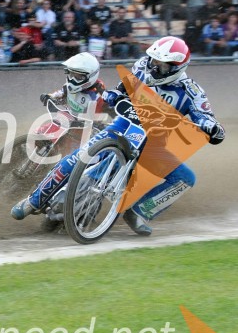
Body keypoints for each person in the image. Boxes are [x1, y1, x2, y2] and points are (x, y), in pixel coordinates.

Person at [12, 37, 225, 235]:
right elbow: (124, 87)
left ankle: (139, 212)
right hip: (123, 126)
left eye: (162, 65)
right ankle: (33, 201)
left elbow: (207, 118)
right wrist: (114, 94)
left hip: (153, 146)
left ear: (177, 67)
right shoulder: (142, 66)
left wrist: (212, 127)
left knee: (185, 178)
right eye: (154, 60)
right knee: (77, 157)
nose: (154, 67)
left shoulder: (192, 91)